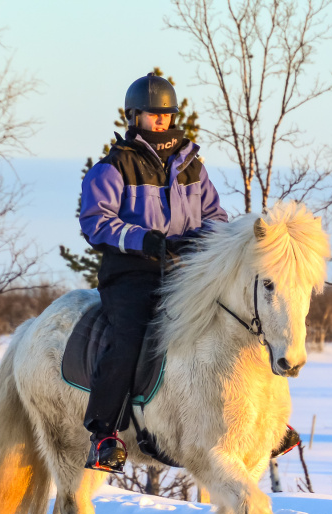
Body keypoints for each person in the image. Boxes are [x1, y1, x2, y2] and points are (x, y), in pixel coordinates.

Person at [79, 72, 228, 472]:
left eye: (166, 114)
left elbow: (215, 216)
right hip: (132, 273)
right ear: (134, 116)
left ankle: (257, 421)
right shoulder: (114, 167)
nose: (160, 120)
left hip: (185, 272)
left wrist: (200, 242)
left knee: (238, 320)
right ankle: (104, 433)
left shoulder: (192, 166)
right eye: (152, 114)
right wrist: (143, 239)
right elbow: (96, 222)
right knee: (129, 337)